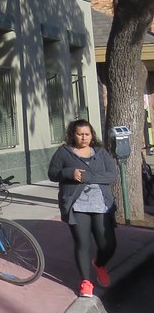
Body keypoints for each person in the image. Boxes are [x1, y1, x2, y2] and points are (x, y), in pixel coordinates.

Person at [48, 119, 118, 298]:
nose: (84, 137)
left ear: (92, 135)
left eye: (87, 134)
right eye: (80, 134)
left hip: (101, 204)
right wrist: (69, 173)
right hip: (76, 204)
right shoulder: (64, 153)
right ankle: (86, 282)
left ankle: (100, 264)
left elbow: (112, 175)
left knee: (107, 244)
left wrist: (88, 177)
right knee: (83, 243)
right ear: (73, 135)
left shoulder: (101, 153)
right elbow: (53, 174)